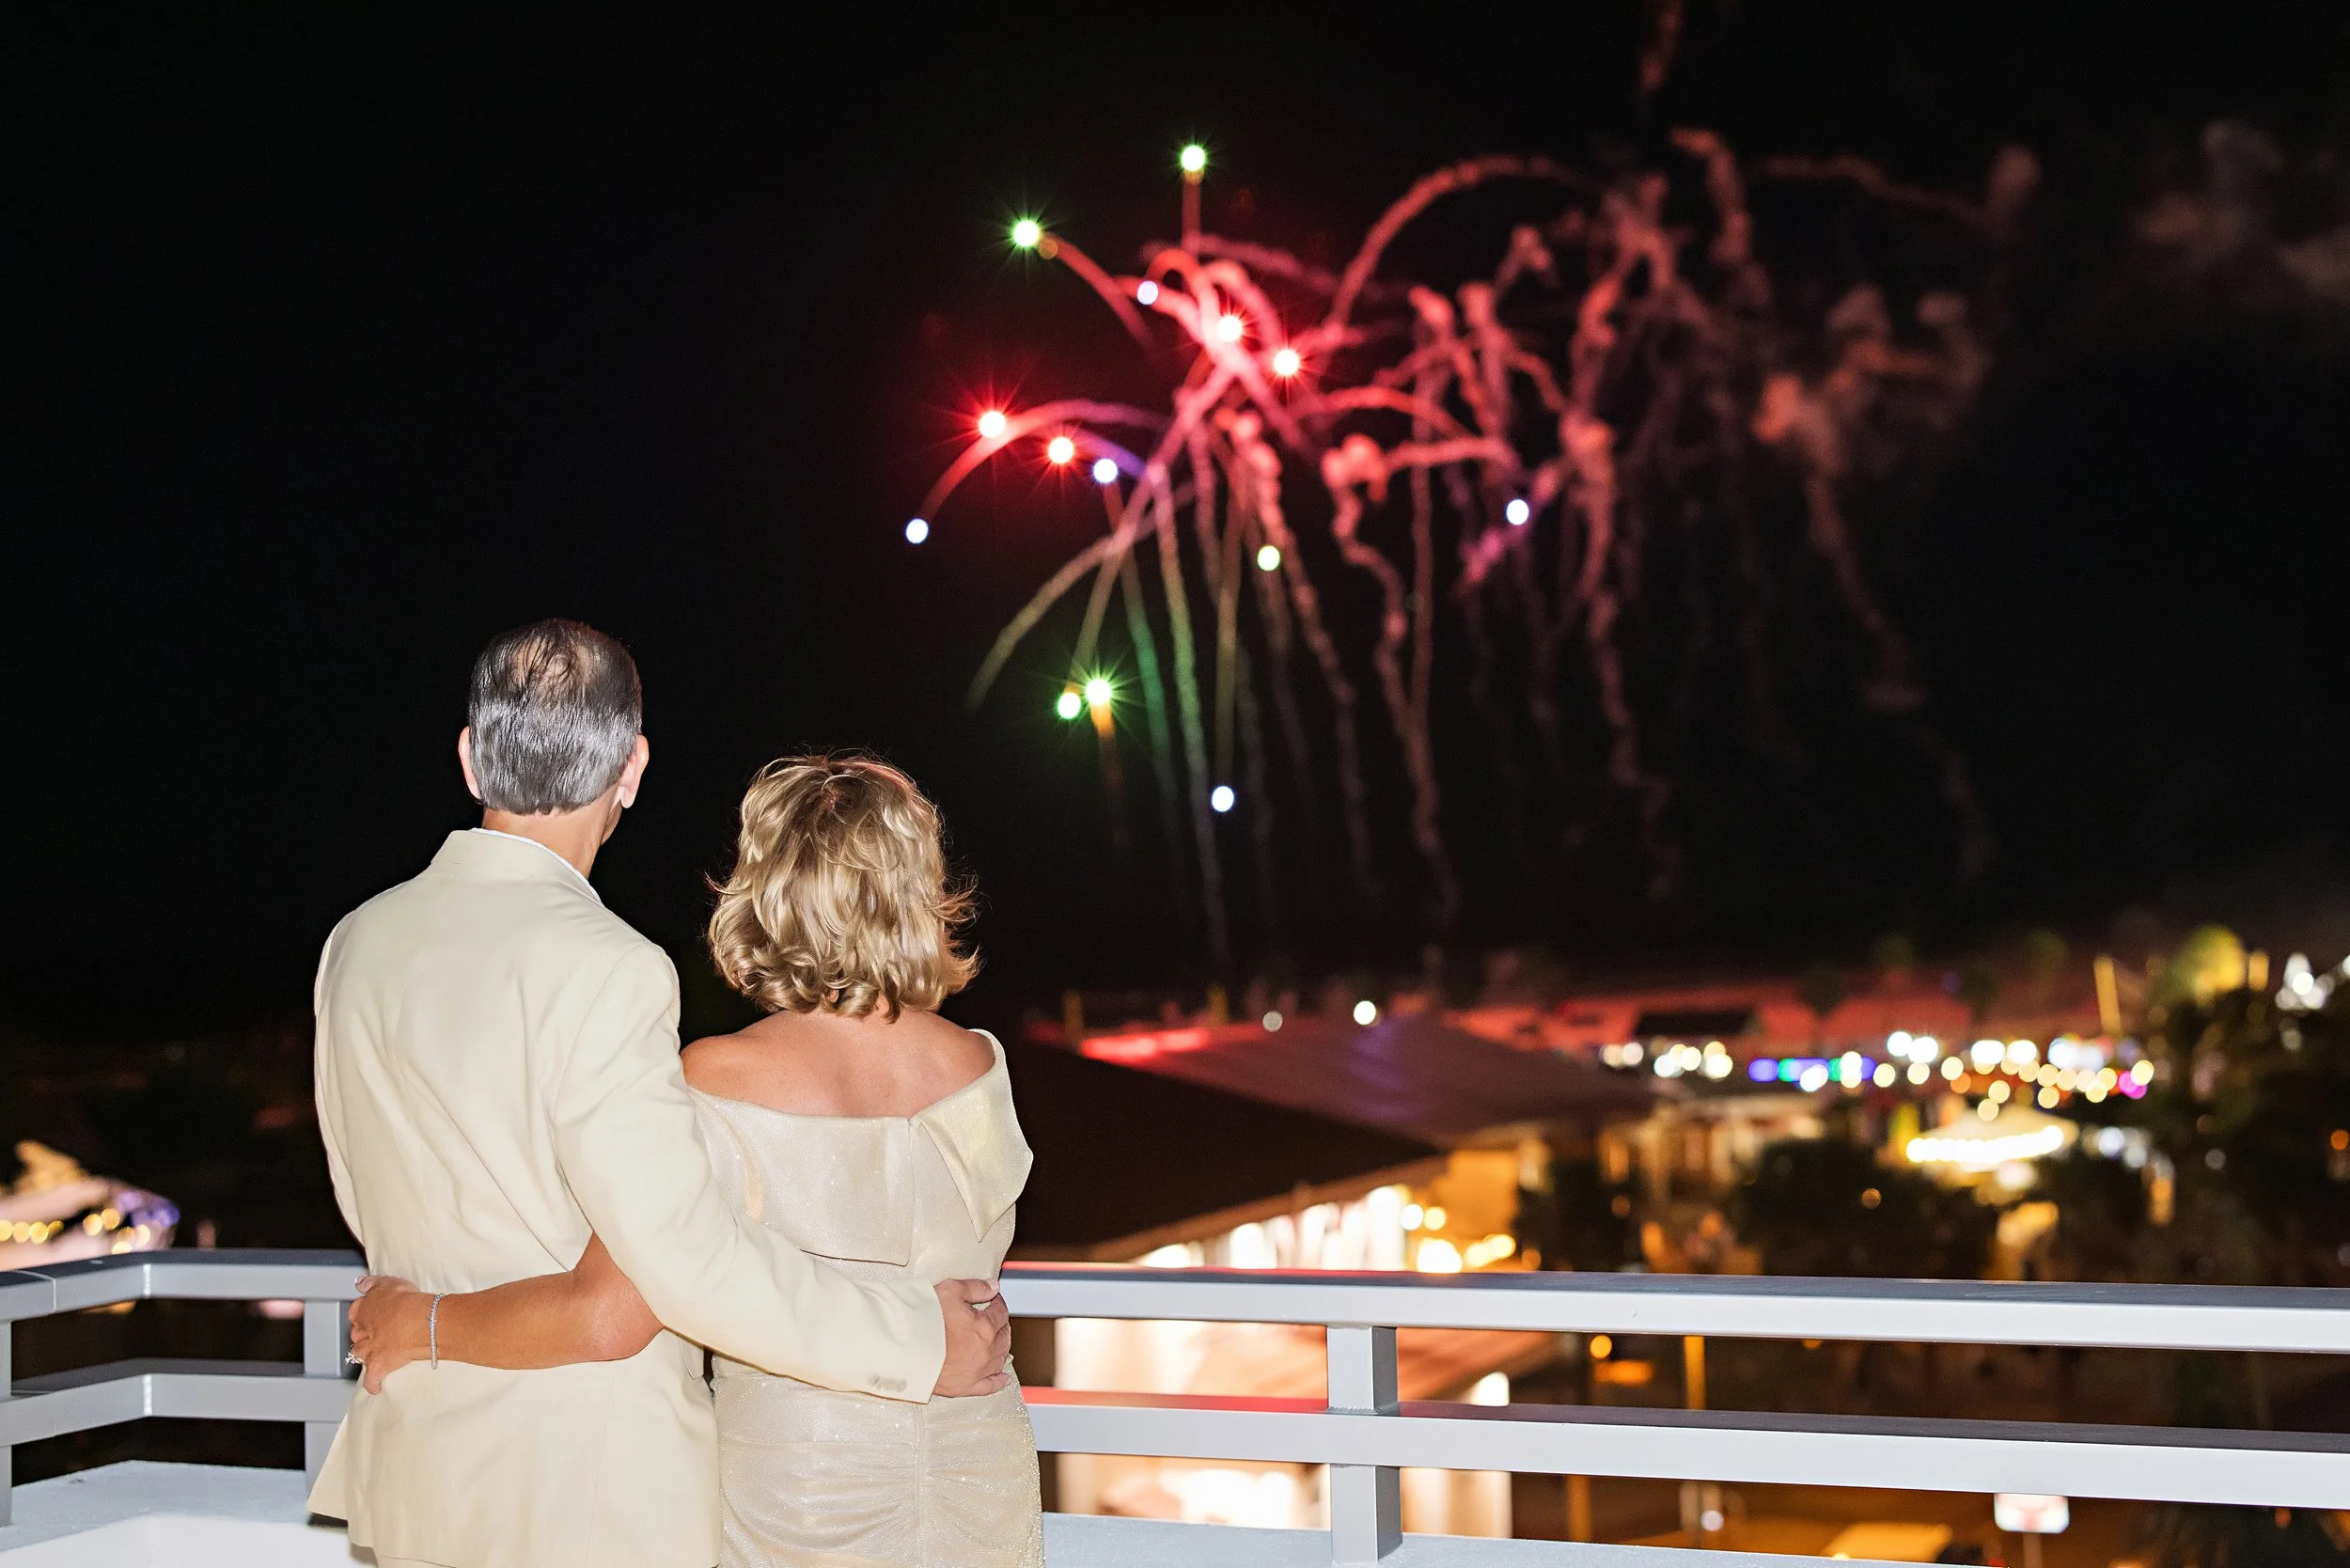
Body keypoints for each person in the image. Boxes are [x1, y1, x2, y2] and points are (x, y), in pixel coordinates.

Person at [312, 621, 1013, 1568]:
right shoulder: (612, 967)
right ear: (631, 768)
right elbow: (657, 1282)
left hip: (419, 1472)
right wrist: (921, 1342)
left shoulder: (355, 946)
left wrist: (419, 1323)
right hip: (590, 1497)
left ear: (473, 759)